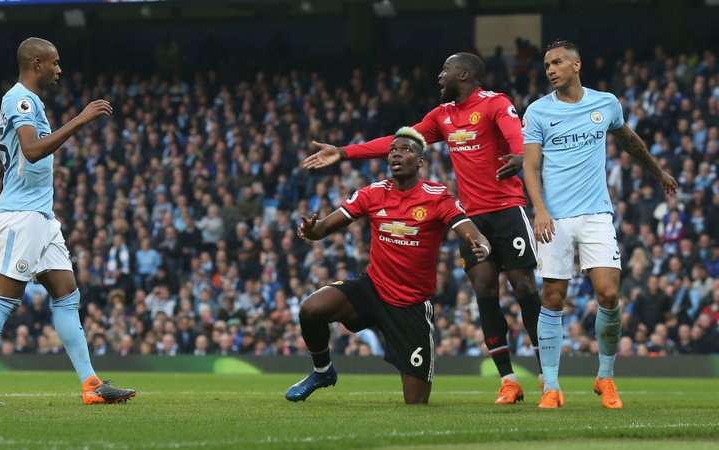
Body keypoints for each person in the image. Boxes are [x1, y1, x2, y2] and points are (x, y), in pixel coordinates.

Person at [303, 52, 541, 404]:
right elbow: (400, 143)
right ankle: (508, 380)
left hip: (507, 208)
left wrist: (522, 155)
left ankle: (546, 373)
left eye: (444, 70)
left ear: (463, 74)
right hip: (472, 214)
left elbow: (514, 134)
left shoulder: (494, 104)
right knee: (485, 292)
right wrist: (344, 152)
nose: (438, 76)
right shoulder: (441, 116)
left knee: (523, 286)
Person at [0, 37, 136, 405]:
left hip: (42, 217)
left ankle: (91, 386)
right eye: (54, 63)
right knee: (4, 300)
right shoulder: (20, 100)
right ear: (37, 63)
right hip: (23, 217)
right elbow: (33, 152)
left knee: (67, 295)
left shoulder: (28, 103)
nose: (59, 69)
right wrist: (80, 119)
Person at [522, 39, 678, 409]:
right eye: (547, 65)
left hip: (595, 214)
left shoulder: (606, 104)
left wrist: (659, 173)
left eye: (557, 62)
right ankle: (552, 386)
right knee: (553, 298)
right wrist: (539, 210)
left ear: (577, 65)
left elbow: (630, 141)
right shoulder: (538, 111)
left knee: (608, 295)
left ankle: (605, 377)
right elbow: (530, 165)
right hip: (554, 218)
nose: (551, 69)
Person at [286, 127, 491, 404]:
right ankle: (322, 371)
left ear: (420, 162)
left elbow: (470, 230)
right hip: (373, 288)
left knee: (415, 404)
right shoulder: (372, 193)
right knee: (311, 308)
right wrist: (312, 231)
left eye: (405, 149)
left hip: (409, 304)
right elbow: (323, 228)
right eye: (393, 149)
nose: (396, 153)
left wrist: (482, 244)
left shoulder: (437, 196)